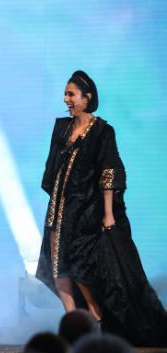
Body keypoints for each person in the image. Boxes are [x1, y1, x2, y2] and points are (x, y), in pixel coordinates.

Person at [36, 70, 167, 346]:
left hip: (86, 211)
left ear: (87, 97)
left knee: (82, 270)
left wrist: (108, 212)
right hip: (59, 209)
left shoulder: (102, 131)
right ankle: (71, 329)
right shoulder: (62, 128)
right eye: (66, 94)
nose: (66, 99)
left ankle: (95, 322)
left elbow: (109, 171)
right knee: (58, 269)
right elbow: (53, 168)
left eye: (71, 94)